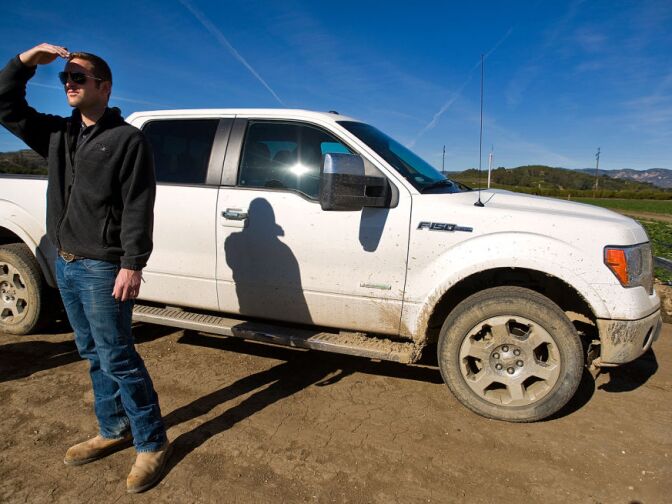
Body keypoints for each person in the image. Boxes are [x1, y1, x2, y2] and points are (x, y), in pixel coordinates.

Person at [0, 43, 170, 493]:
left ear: (104, 86)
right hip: (66, 262)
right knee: (93, 354)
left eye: (79, 77)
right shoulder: (58, 135)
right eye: (65, 79)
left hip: (102, 268)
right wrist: (23, 62)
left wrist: (132, 265)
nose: (69, 83)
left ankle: (151, 442)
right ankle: (113, 430)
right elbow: (5, 105)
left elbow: (138, 207)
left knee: (118, 356)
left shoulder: (128, 140)